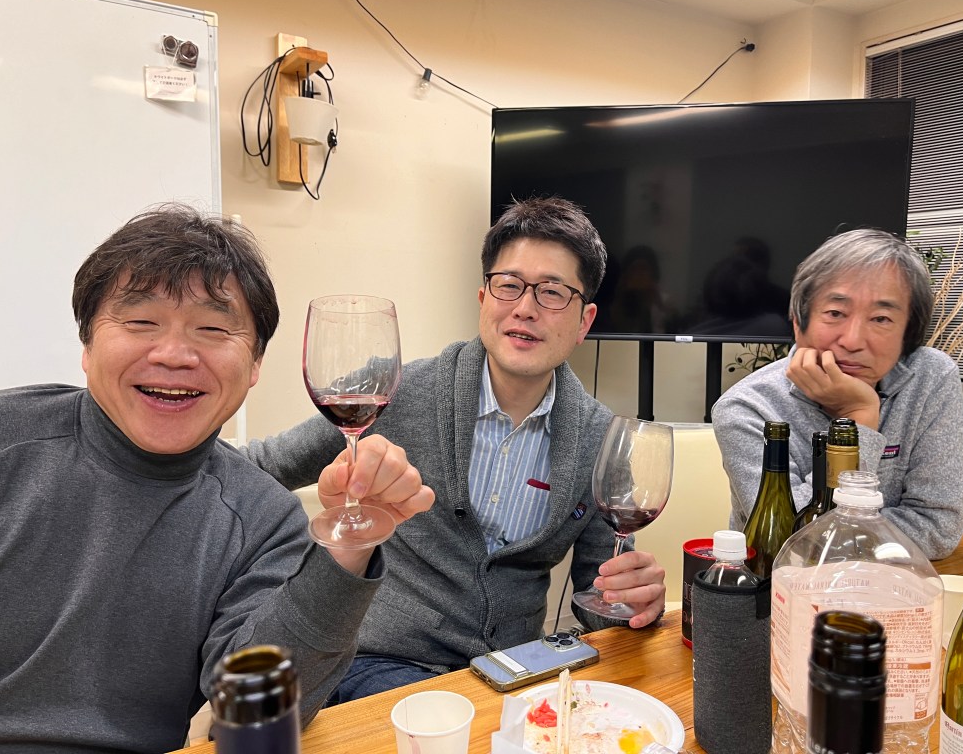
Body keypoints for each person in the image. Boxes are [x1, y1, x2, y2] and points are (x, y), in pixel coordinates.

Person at [0, 205, 433, 753]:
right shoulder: (9, 438)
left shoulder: (262, 519)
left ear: (254, 365)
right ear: (87, 346)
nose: (174, 354)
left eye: (212, 329)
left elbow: (256, 715)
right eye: (141, 322)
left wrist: (349, 548)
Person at [244, 196, 668, 702]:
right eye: (509, 285)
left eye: (553, 292)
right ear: (484, 298)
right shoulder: (392, 389)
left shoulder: (601, 438)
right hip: (382, 664)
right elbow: (260, 468)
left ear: (584, 321)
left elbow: (599, 599)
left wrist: (635, 602)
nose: (525, 307)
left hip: (515, 673)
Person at [712, 228, 963, 559]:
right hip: (779, 586)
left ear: (908, 332)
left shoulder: (931, 377)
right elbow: (795, 546)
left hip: (894, 583)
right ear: (798, 321)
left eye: (881, 318)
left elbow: (938, 529)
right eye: (835, 313)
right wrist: (859, 417)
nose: (852, 340)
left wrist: (838, 534)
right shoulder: (747, 408)